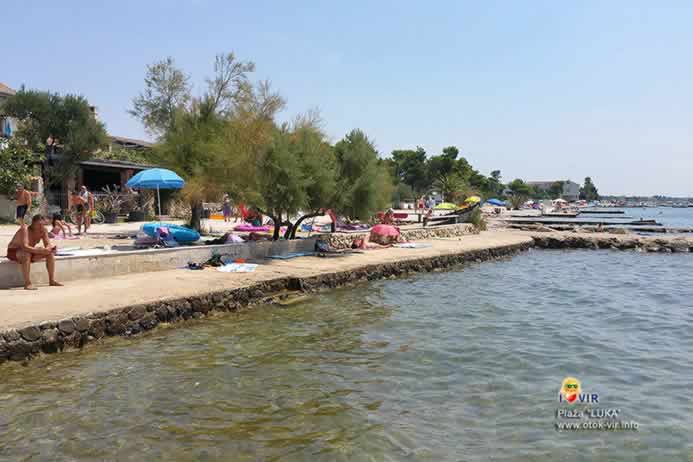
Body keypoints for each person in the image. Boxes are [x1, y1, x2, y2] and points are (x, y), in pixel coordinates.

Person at [6, 214, 62, 290]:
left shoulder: (43, 230)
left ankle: (51, 280)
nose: (41, 227)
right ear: (33, 224)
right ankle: (27, 283)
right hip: (14, 252)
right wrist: (38, 250)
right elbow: (24, 246)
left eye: (42, 224)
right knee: (26, 254)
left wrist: (48, 249)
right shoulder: (25, 229)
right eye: (39, 225)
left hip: (30, 251)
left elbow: (48, 244)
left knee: (50, 253)